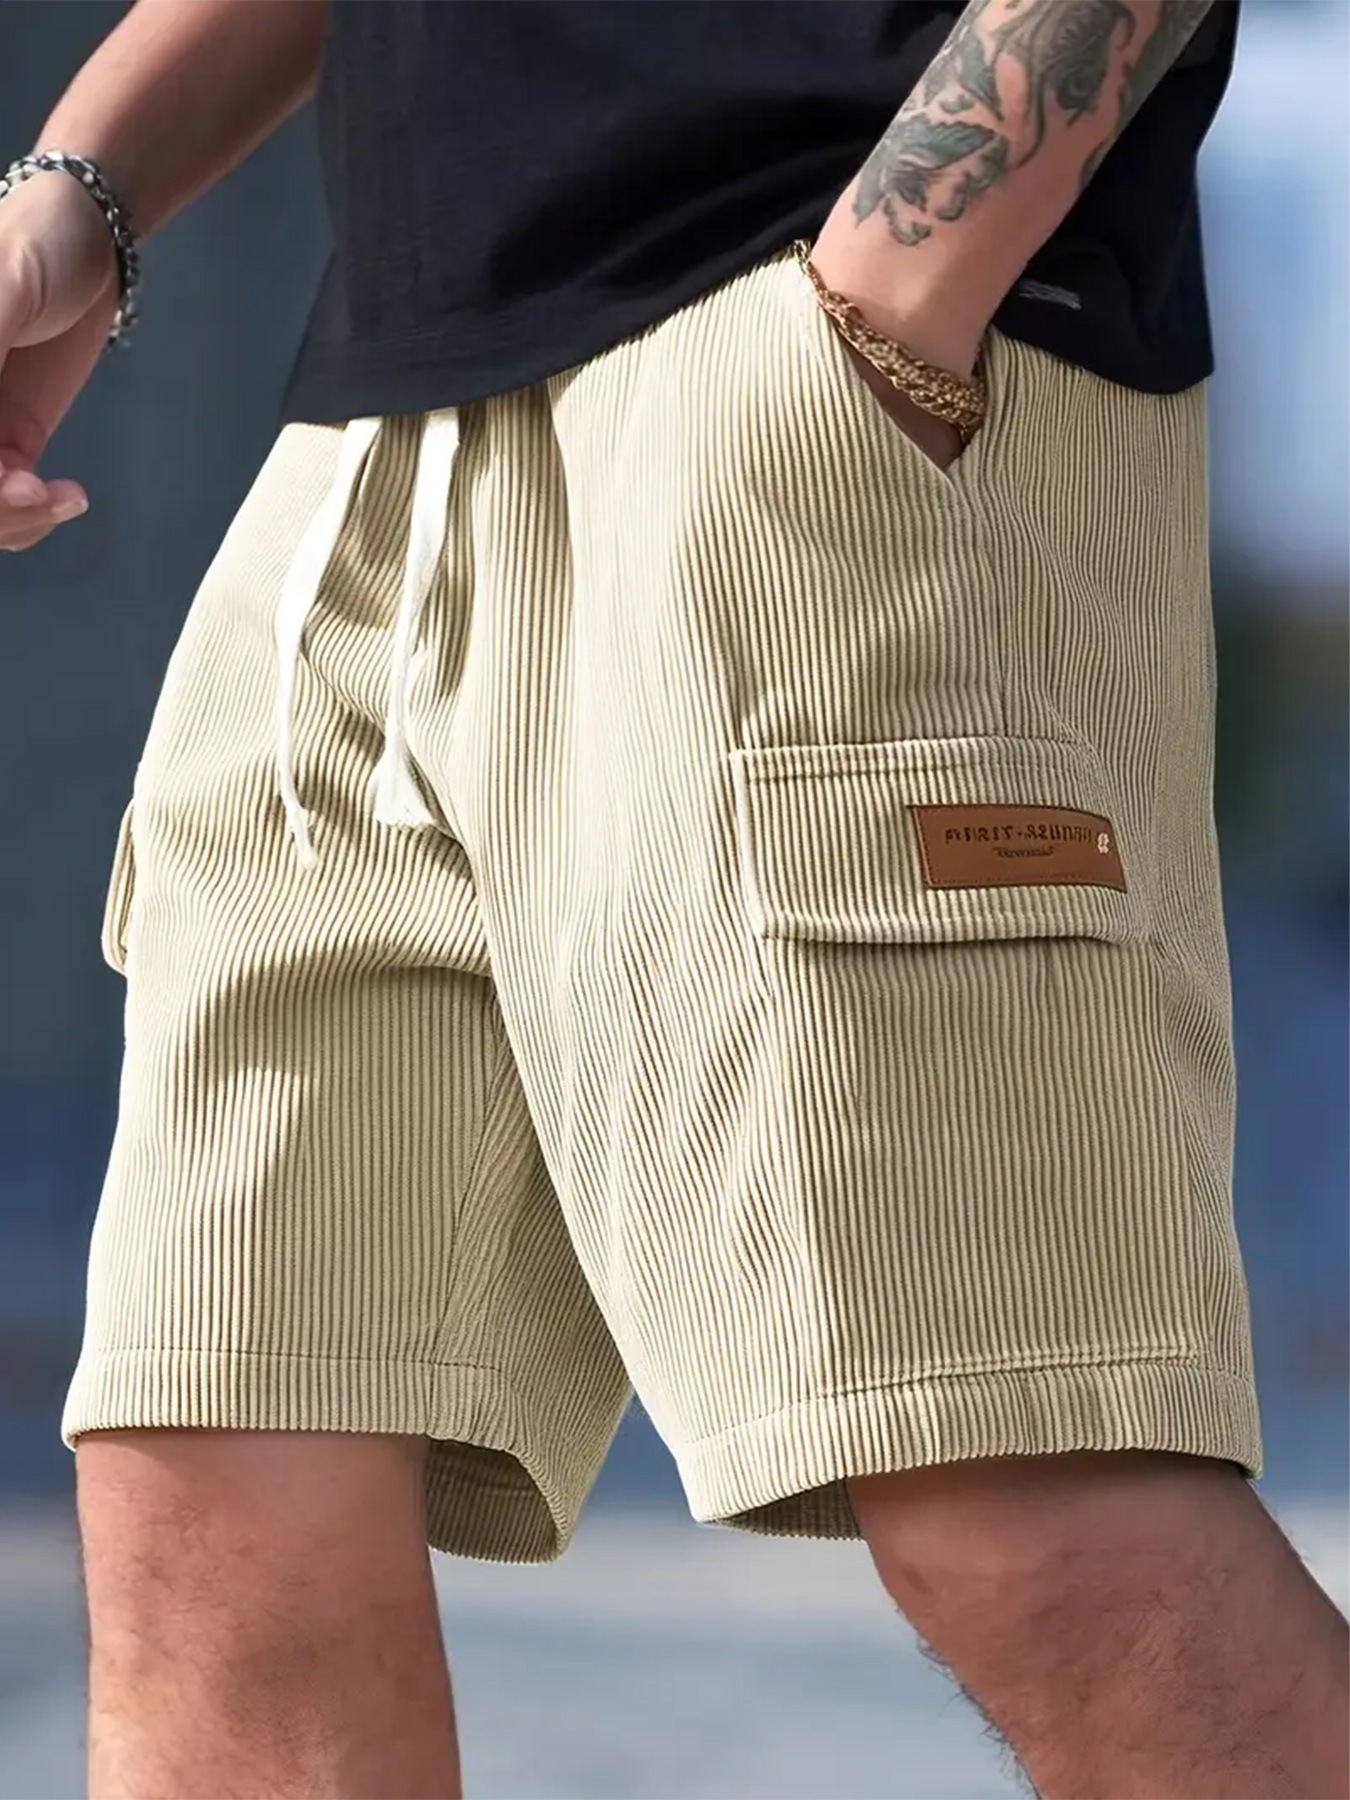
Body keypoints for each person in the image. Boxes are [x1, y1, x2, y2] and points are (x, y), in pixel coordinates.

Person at [1, 1, 1345, 1794]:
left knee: (1025, 1503)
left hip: (813, 357)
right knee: (213, 1497)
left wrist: (903, 268)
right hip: (368, 448)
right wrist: (84, 185)